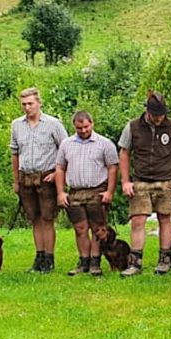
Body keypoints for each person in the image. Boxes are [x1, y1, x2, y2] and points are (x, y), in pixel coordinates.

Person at [118, 92, 171, 277]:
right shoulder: (133, 127)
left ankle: (164, 259)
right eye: (156, 115)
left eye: (162, 115)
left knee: (164, 218)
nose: (160, 118)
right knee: (138, 220)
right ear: (147, 111)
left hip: (167, 180)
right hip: (141, 180)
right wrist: (126, 181)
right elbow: (124, 152)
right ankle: (135, 263)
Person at [10, 87, 68, 273]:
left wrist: (60, 174)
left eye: (30, 104)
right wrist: (16, 179)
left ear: (39, 103)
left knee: (47, 218)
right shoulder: (16, 125)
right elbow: (15, 152)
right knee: (34, 218)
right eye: (24, 104)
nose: (27, 108)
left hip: (47, 177)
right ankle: (39, 257)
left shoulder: (53, 124)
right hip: (26, 177)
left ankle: (49, 259)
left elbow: (66, 150)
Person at [55, 111, 119, 277]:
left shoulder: (105, 144)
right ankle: (83, 261)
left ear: (92, 123)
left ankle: (95, 262)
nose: (83, 130)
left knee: (98, 229)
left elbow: (113, 167)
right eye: (79, 128)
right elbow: (60, 168)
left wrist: (109, 191)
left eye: (86, 127)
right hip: (75, 192)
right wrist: (61, 192)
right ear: (74, 126)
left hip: (97, 190)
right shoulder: (66, 144)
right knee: (79, 228)